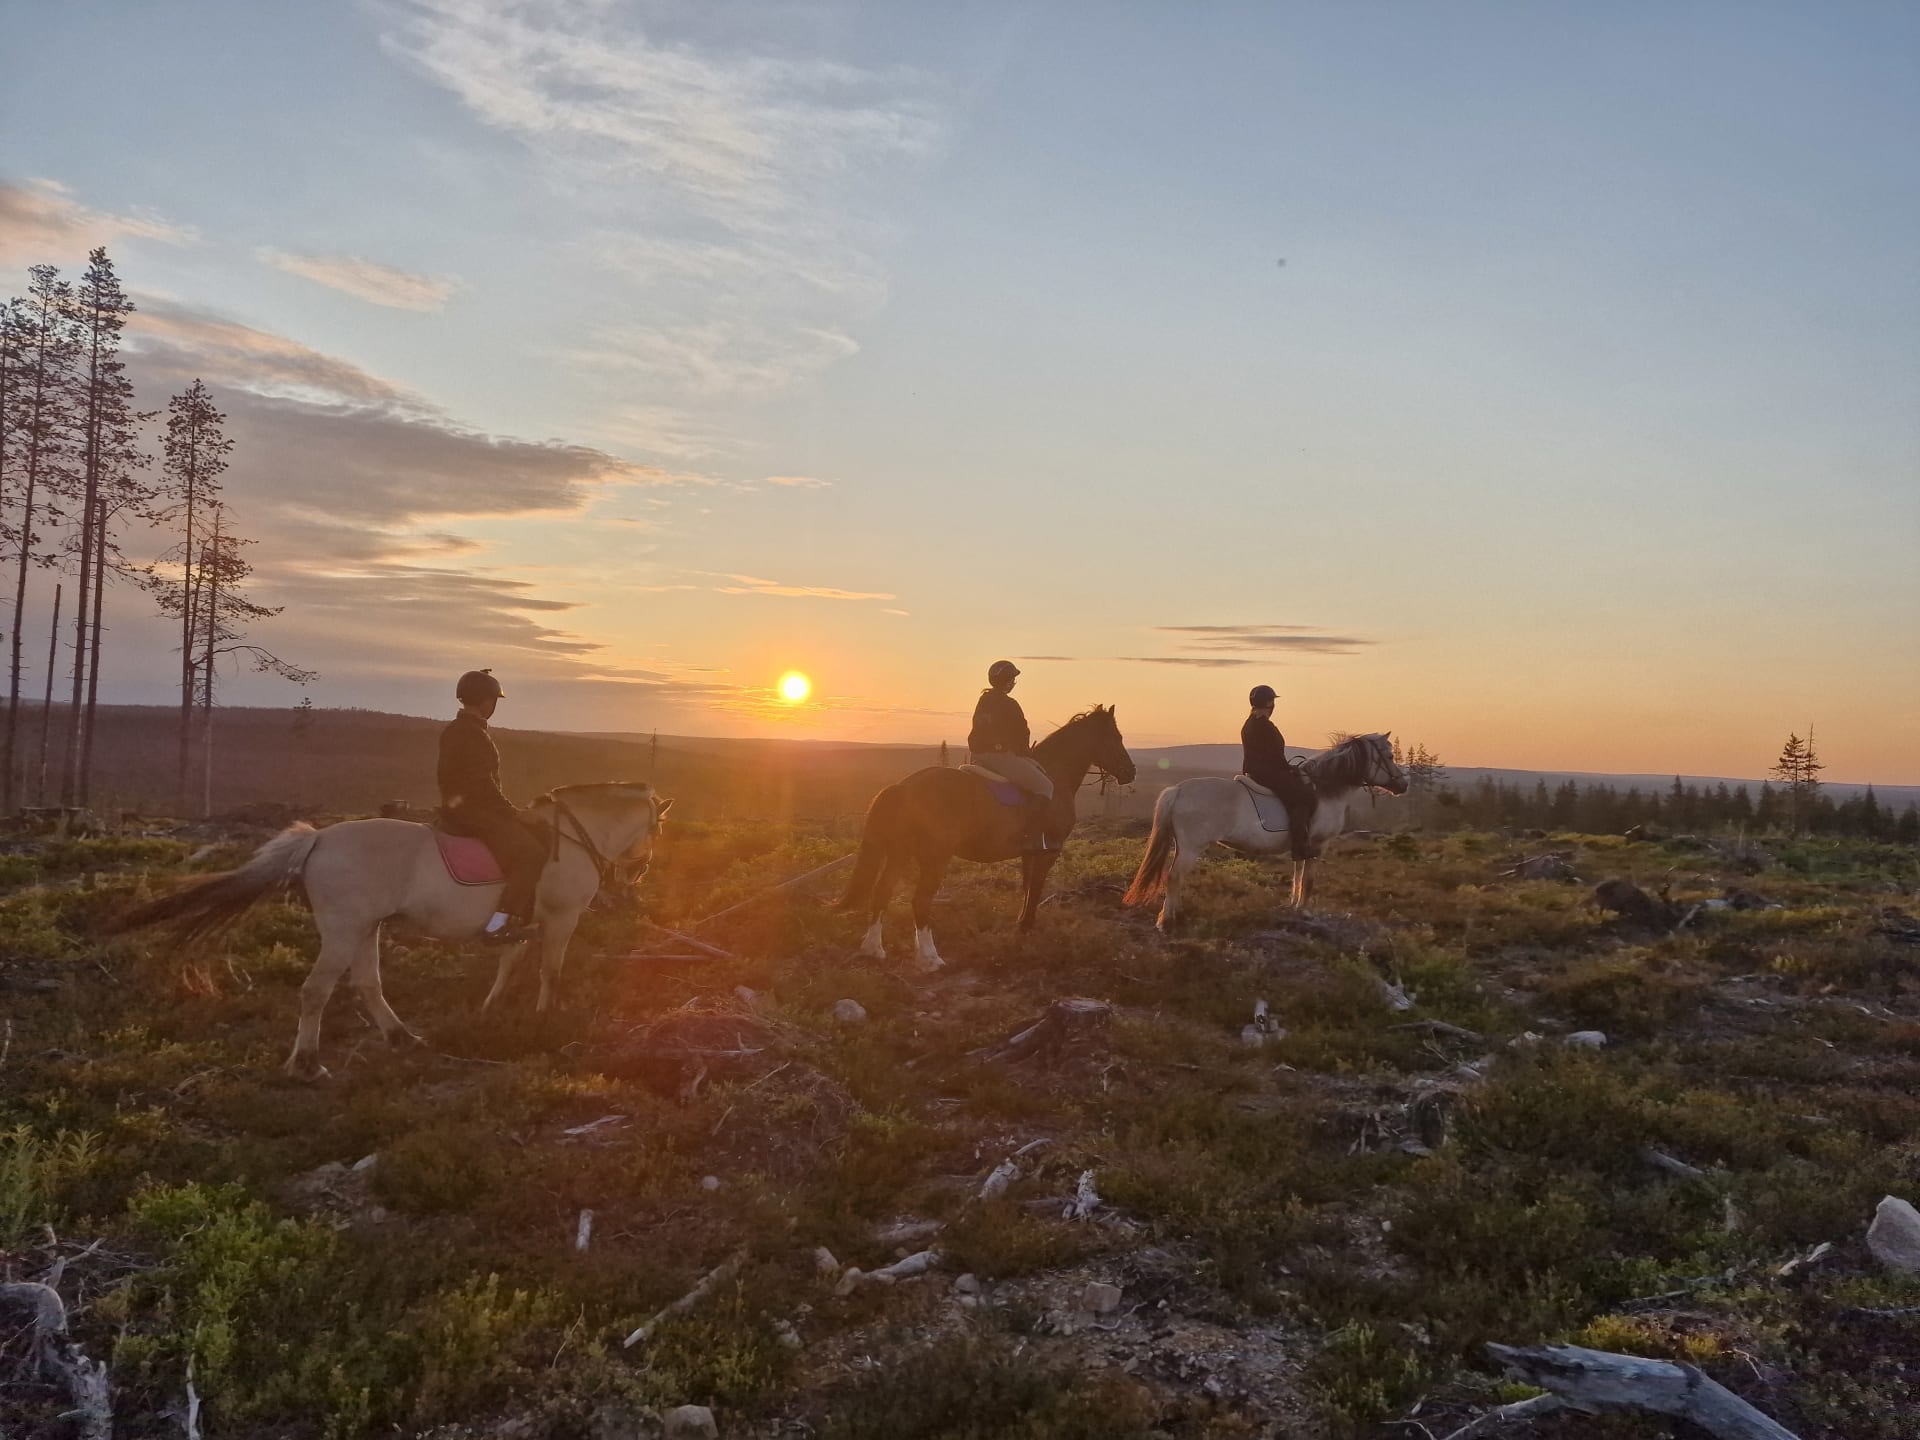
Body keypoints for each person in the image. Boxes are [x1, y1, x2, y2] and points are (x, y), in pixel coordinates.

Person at [438, 669, 549, 941]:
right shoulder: (472, 734)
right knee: (531, 855)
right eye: (493, 700)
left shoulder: (456, 730)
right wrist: (514, 813)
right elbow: (483, 784)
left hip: (462, 807)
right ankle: (499, 924)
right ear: (486, 701)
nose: (493, 705)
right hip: (473, 812)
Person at [967, 660, 1054, 853]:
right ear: (1007, 682)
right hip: (999, 757)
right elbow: (1021, 734)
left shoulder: (984, 700)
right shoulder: (1009, 704)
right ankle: (1032, 838)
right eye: (1012, 679)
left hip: (978, 755)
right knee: (1045, 786)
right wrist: (1025, 752)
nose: (1013, 683)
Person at [1241, 684, 1318, 860]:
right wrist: (1289, 769)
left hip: (1254, 771)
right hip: (1269, 774)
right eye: (1272, 701)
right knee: (1304, 797)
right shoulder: (1266, 726)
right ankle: (1299, 846)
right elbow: (1274, 755)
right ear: (1269, 703)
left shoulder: (1248, 723)